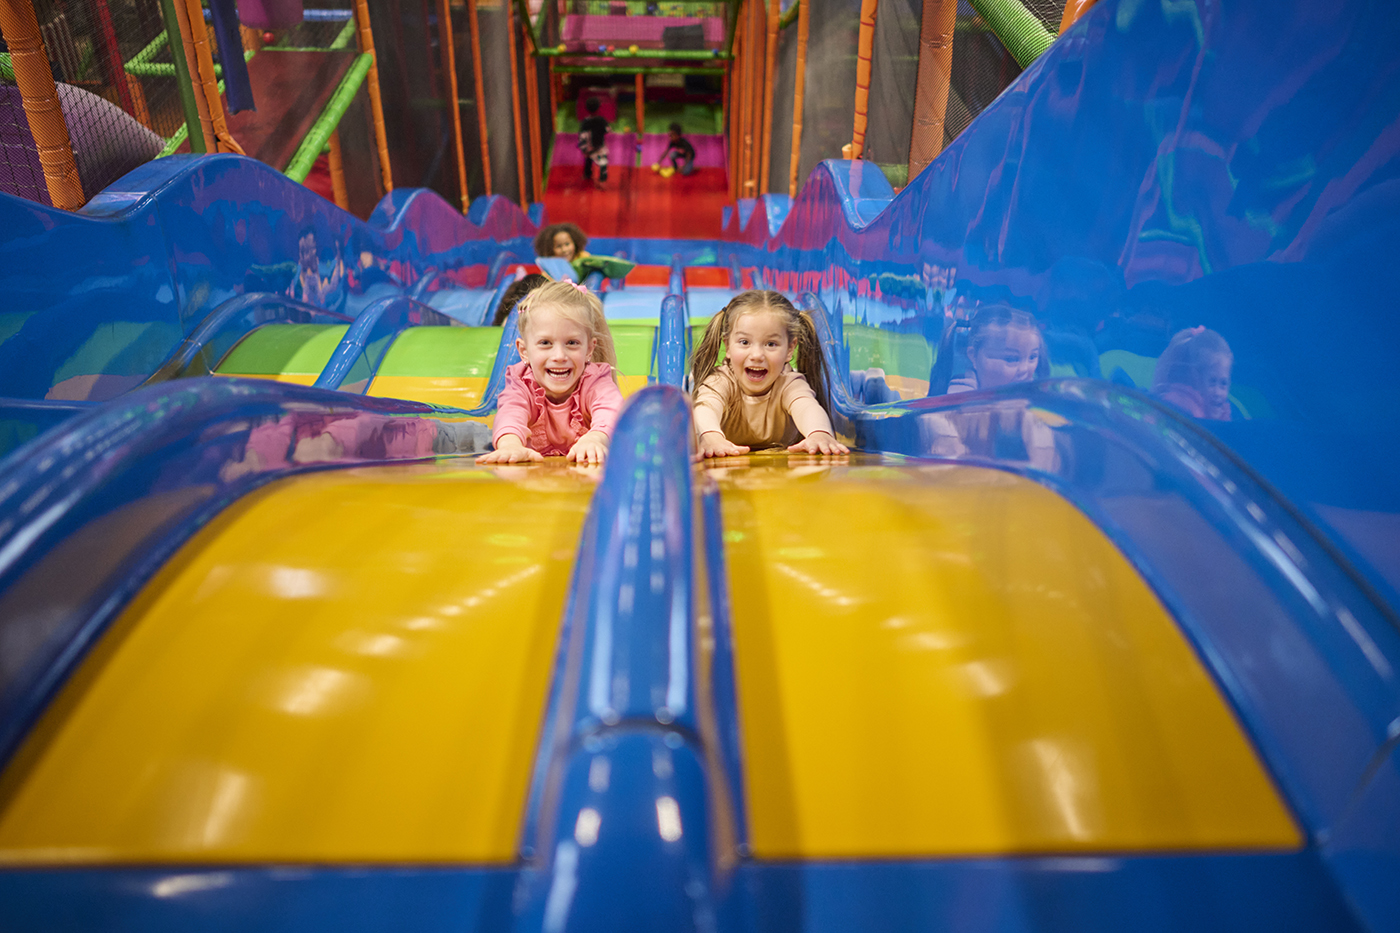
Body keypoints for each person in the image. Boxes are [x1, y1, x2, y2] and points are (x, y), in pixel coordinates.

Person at [690, 290, 849, 458]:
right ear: (728, 346)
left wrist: (819, 433)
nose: (757, 355)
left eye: (771, 344)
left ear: (790, 349)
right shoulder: (721, 381)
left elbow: (806, 407)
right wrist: (710, 436)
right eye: (744, 342)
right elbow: (706, 407)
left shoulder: (788, 382)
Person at [478, 280, 623, 465]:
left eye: (572, 343)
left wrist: (595, 438)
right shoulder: (521, 382)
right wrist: (510, 445)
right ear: (523, 351)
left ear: (589, 349)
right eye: (545, 343)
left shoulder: (595, 381)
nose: (559, 356)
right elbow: (511, 412)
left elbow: (610, 409)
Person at [947, 304, 1051, 393]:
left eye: (1032, 357)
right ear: (974, 356)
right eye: (1011, 359)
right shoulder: (960, 396)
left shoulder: (1035, 393)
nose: (1025, 369)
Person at [1152, 326, 1233, 420]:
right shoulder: (1181, 409)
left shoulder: (1220, 413)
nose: (1218, 392)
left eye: (1223, 383)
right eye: (1212, 382)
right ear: (1196, 378)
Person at [579, 97, 610, 184]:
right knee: (603, 160)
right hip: (598, 145)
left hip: (587, 146)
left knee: (588, 158)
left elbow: (582, 134)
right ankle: (602, 179)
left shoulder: (585, 121)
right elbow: (607, 130)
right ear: (598, 108)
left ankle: (587, 174)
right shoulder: (601, 120)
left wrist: (583, 147)